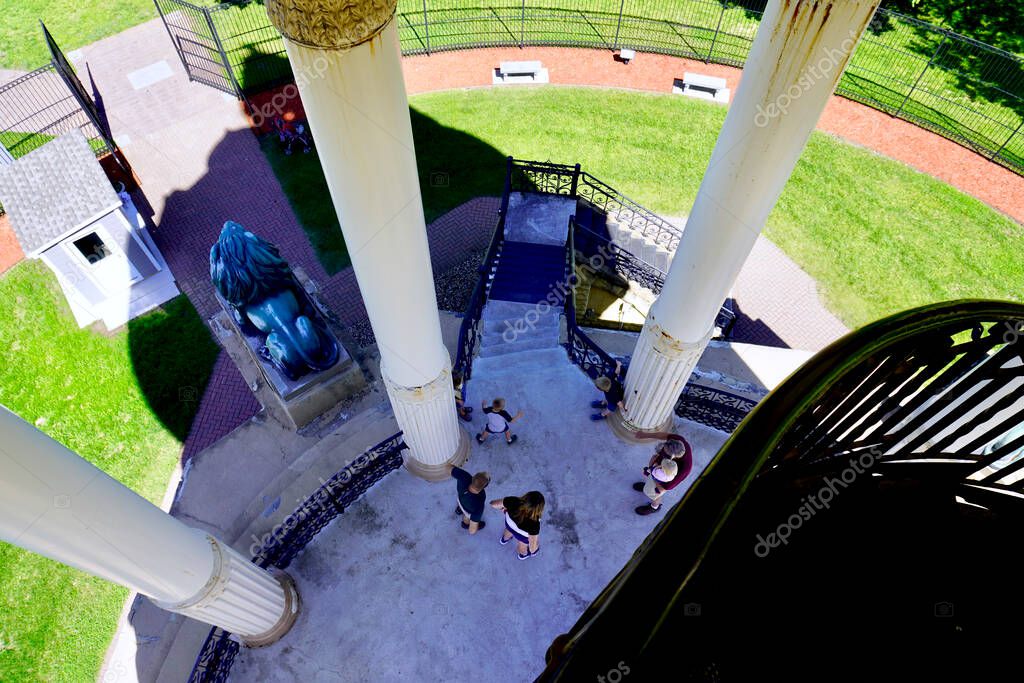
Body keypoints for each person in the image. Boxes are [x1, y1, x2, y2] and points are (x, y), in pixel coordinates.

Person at [632, 435, 692, 516]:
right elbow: (666, 435)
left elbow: (662, 489)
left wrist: (653, 475)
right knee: (649, 485)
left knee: (655, 495)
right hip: (656, 472)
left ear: (674, 457)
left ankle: (654, 507)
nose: (662, 452)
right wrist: (644, 434)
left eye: (665, 452)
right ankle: (646, 487)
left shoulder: (684, 470)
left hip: (661, 482)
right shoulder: (678, 442)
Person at [491, 491, 544, 560]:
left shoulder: (513, 501)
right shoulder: (535, 524)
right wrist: (533, 551)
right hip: (522, 536)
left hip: (509, 525)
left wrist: (503, 509)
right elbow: (532, 547)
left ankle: (504, 540)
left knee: (509, 531)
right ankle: (522, 554)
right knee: (522, 545)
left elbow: (493, 504)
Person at [450, 466, 490, 534]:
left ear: (473, 477)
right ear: (483, 487)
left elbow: (448, 468)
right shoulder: (479, 505)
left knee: (463, 503)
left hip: (460, 499)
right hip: (468, 510)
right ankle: (465, 524)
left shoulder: (464, 476)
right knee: (467, 516)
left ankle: (459, 510)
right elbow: (472, 531)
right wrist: (475, 524)